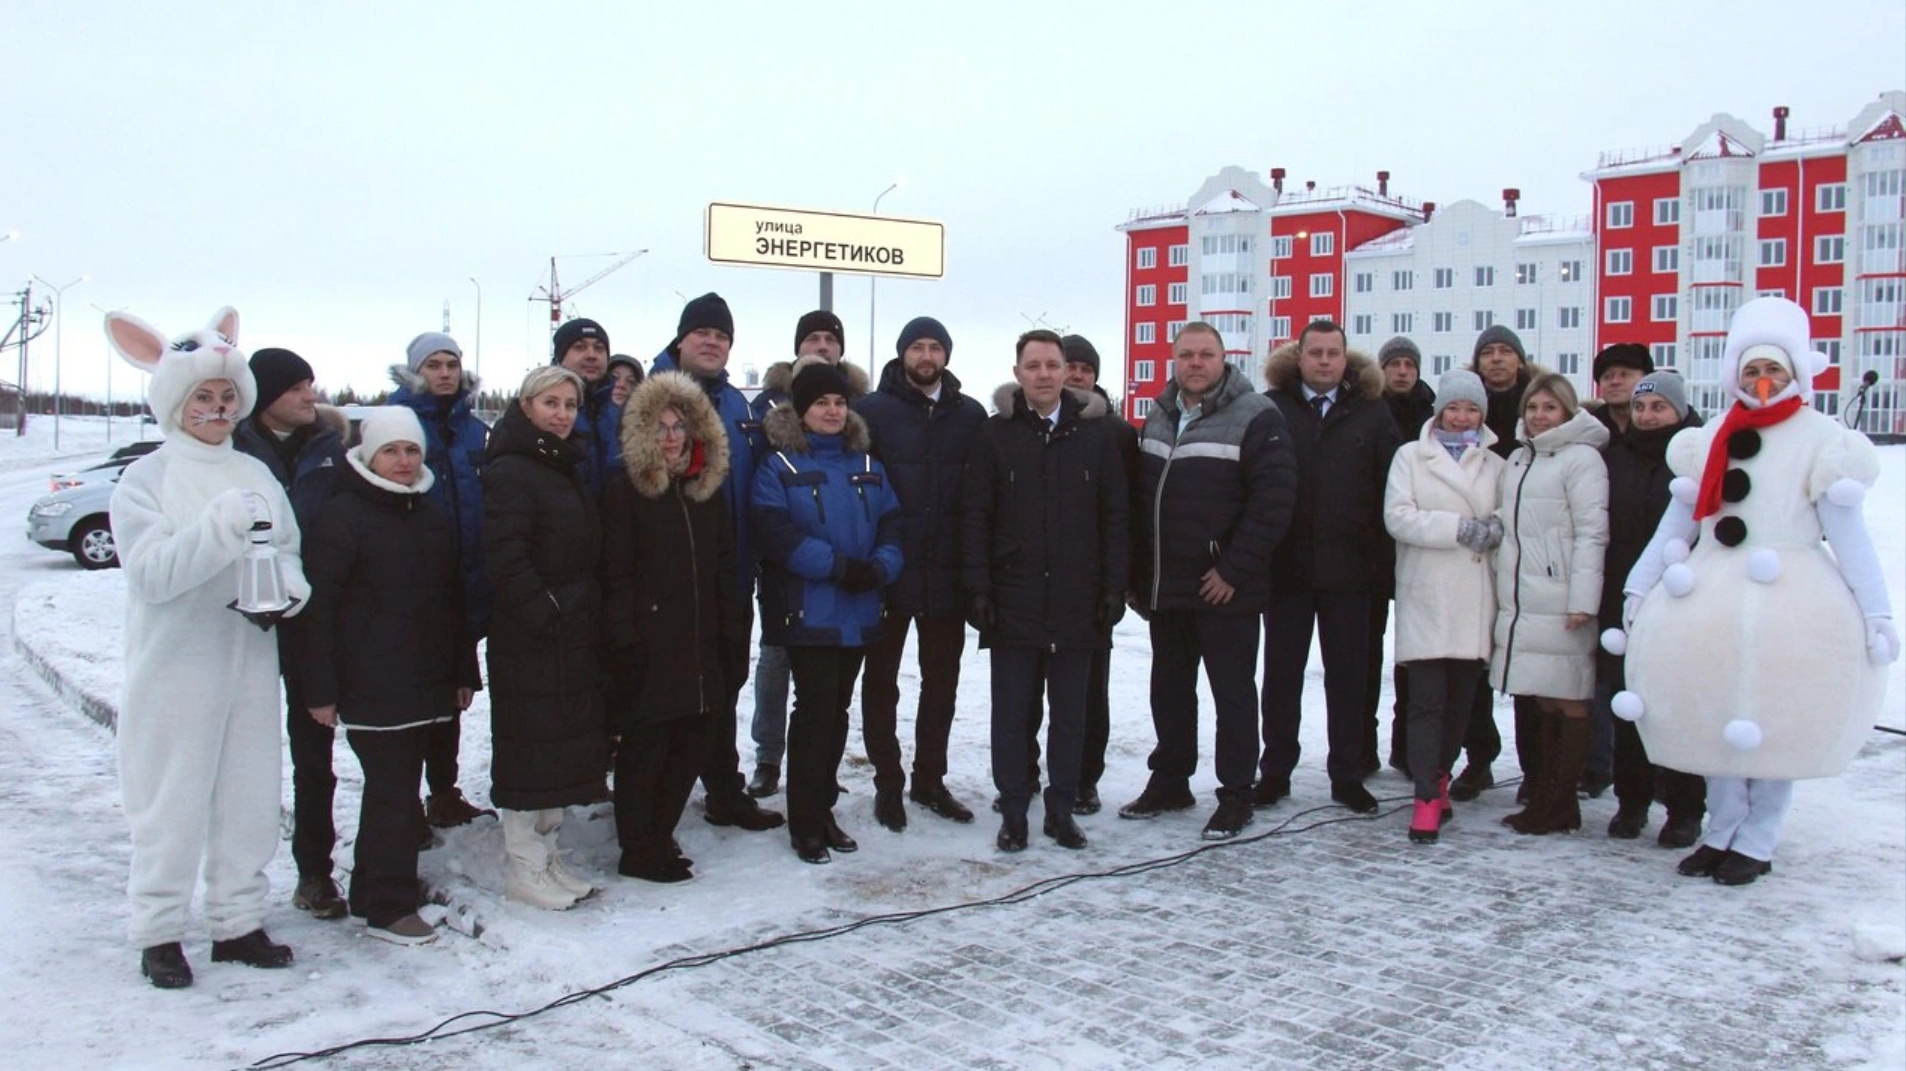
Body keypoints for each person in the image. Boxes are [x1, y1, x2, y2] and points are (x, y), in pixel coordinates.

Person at [1616, 297, 1896, 886]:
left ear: (1794, 374)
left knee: (1777, 719)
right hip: (1712, 598)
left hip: (1792, 605)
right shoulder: (1710, 437)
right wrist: (1640, 585)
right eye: (1751, 371)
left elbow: (1848, 534)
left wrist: (1875, 609)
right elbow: (1680, 523)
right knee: (1715, 713)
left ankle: (1759, 840)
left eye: (1773, 371)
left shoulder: (1822, 438)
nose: (1762, 382)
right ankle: (1721, 832)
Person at [105, 306, 309, 988]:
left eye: (227, 399)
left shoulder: (255, 473)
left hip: (248, 659)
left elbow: (287, 551)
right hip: (176, 665)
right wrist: (220, 530)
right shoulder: (147, 479)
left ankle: (238, 919)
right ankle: (159, 928)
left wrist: (287, 588)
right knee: (173, 797)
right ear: (175, 403)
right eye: (204, 398)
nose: (217, 410)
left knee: (248, 794)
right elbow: (152, 574)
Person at [299, 407, 479, 944]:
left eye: (412, 450)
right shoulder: (344, 515)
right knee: (392, 794)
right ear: (368, 455)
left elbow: (451, 603)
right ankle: (386, 905)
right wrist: (321, 689)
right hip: (371, 682)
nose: (403, 461)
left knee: (397, 792)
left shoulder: (426, 513)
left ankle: (376, 890)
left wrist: (462, 671)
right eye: (391, 451)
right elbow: (319, 608)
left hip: (424, 680)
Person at [1121, 322, 1296, 840]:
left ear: (1225, 359)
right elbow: (1141, 500)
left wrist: (1232, 570)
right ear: (1173, 361)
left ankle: (1236, 793)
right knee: (1170, 690)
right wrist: (1138, 575)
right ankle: (1171, 779)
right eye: (1186, 355)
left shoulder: (1257, 416)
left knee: (1233, 694)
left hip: (1224, 586)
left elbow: (1273, 503)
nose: (1195, 364)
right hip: (1167, 585)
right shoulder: (1159, 414)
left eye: (1206, 355)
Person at [963, 330, 1130, 852]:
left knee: (1070, 716)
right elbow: (975, 518)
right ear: (1018, 374)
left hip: (1079, 601)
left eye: (1052, 365)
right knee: (1012, 715)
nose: (1043, 374)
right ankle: (1015, 811)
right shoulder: (995, 435)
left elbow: (1115, 517)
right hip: (1013, 599)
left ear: (1067, 373)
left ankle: (1061, 809)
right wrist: (979, 590)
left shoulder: (1096, 437)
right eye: (1032, 365)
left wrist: (1113, 587)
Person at [754, 360, 903, 863]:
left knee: (836, 714)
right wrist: (838, 567)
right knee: (814, 713)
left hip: (860, 610)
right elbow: (777, 537)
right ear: (802, 410)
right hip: (809, 611)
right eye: (821, 403)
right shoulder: (779, 467)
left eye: (840, 402)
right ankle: (805, 821)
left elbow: (892, 525)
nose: (832, 411)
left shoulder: (868, 465)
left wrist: (881, 566)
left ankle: (825, 808)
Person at [651, 292, 784, 832]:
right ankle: (657, 794)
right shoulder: (654, 395)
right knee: (674, 686)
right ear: (681, 339)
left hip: (732, 573)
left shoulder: (737, 405)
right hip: (672, 575)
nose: (712, 341)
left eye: (722, 335)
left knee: (725, 683)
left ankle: (723, 791)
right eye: (702, 332)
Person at [1257, 320, 1401, 815]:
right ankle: (1275, 771)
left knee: (1349, 677)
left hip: (1351, 572)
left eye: (1332, 353)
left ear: (1345, 359)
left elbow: (1390, 490)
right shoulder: (1272, 409)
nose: (1323, 361)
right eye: (1314, 352)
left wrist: (1382, 567)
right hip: (1287, 570)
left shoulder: (1372, 412)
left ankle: (1348, 772)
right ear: (1299, 358)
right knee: (1281, 677)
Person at [600, 372, 736, 883]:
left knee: (692, 743)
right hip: (650, 644)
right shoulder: (626, 490)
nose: (671, 436)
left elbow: (724, 568)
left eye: (680, 425)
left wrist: (731, 635)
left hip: (701, 643)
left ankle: (660, 834)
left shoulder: (706, 492)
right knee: (647, 748)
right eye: (659, 427)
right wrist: (625, 638)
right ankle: (638, 847)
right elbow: (613, 572)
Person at [854, 316, 987, 831]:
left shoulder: (970, 414)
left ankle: (930, 779)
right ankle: (888, 782)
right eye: (917, 347)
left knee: (941, 683)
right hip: (889, 569)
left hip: (947, 572)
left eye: (935, 347)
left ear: (946, 355)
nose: (926, 356)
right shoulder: (870, 412)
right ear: (902, 353)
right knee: (881, 683)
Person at [482, 366, 608, 909]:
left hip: (568, 629)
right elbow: (505, 557)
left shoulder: (562, 465)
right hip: (533, 636)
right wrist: (547, 612)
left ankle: (548, 857)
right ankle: (524, 866)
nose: (561, 414)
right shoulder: (511, 468)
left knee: (555, 752)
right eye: (550, 403)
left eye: (570, 405)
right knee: (529, 752)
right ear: (526, 405)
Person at [231, 347, 349, 921]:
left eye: (311, 383)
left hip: (312, 623)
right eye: (298, 386)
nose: (310, 395)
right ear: (266, 395)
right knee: (239, 755)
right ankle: (230, 882)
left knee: (315, 756)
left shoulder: (330, 448)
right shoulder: (232, 451)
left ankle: (315, 873)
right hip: (243, 625)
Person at [745, 310, 869, 800]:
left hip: (848, 574)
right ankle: (769, 757)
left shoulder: (857, 405)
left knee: (827, 693)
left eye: (830, 338)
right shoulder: (771, 404)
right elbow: (764, 487)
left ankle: (819, 772)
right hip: (786, 568)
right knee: (776, 662)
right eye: (812, 338)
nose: (821, 345)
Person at [1382, 371, 1504, 844]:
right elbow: (1398, 517)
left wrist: (1496, 526)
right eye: (1453, 407)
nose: (1461, 417)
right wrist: (1459, 527)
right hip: (1428, 594)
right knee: (1426, 702)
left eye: (1471, 409)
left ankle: (1441, 778)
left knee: (1461, 704)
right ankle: (1425, 797)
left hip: (1475, 595)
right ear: (1439, 411)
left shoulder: (1495, 464)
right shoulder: (1411, 456)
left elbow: (1509, 513)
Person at [1491, 374, 1610, 834]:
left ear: (1568, 411)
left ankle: (1561, 801)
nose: (1539, 416)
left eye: (1550, 407)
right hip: (1524, 597)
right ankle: (1546, 797)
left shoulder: (1581, 459)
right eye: (1533, 407)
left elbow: (1592, 531)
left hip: (1561, 597)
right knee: (1543, 696)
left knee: (1571, 698)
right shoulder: (1520, 457)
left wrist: (1583, 599)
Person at [388, 332, 494, 830]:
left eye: (452, 363)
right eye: (433, 364)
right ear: (416, 371)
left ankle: (443, 790)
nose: (445, 372)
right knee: (411, 697)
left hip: (463, 580)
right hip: (412, 584)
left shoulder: (473, 431)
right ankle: (403, 800)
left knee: (453, 696)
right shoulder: (399, 425)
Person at [1595, 371, 1705, 846]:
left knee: (1679, 706)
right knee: (1627, 703)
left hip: (1682, 599)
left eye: (1658, 406)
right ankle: (1632, 799)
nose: (1646, 415)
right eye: (1640, 408)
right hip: (1623, 596)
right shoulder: (1614, 457)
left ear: (1679, 411)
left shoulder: (1697, 461)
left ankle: (1684, 807)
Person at [1449, 324, 1544, 802]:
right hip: (1475, 548)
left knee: (1528, 662)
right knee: (1472, 661)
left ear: (1521, 360)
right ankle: (1479, 757)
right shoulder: (1463, 412)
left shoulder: (1540, 407)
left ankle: (1537, 768)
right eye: (1488, 352)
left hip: (1530, 551)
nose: (1497, 359)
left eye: (1506, 351)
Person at [1375, 335, 1435, 775]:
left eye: (1408, 364)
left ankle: (1412, 746)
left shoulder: (1435, 415)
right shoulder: (1368, 411)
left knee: (1422, 653)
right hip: (1374, 547)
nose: (1401, 371)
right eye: (1393, 363)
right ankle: (1374, 745)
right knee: (1374, 653)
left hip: (1427, 547)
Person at [551, 318, 621, 497]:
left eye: (599, 348)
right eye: (580, 347)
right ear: (560, 357)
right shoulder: (539, 414)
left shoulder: (621, 418)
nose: (592, 355)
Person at [1590, 343, 1654, 438]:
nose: (1615, 382)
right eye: (1607, 376)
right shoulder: (1588, 428)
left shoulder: (1661, 422)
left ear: (1646, 378)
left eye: (1625, 375)